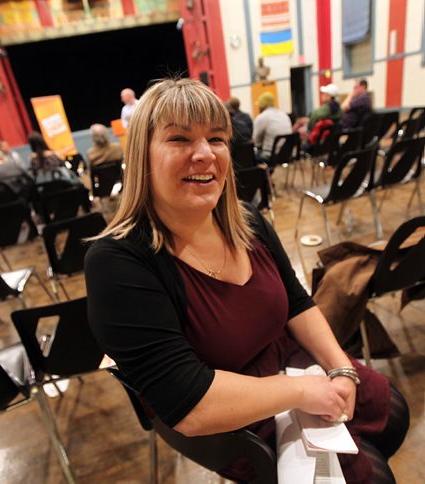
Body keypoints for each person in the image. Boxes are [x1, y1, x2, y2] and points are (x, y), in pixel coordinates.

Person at [85, 78, 408, 483]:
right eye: (180, 139)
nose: (204, 154)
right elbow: (190, 406)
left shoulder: (248, 219)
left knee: (391, 409)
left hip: (285, 359)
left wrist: (341, 368)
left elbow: (297, 302)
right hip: (229, 412)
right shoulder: (118, 262)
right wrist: (304, 392)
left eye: (216, 139)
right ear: (142, 156)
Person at [252, 92, 292, 165]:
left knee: (250, 156)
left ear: (261, 106)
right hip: (287, 154)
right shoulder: (284, 115)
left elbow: (256, 141)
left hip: (270, 156)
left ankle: (264, 176)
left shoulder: (261, 117)